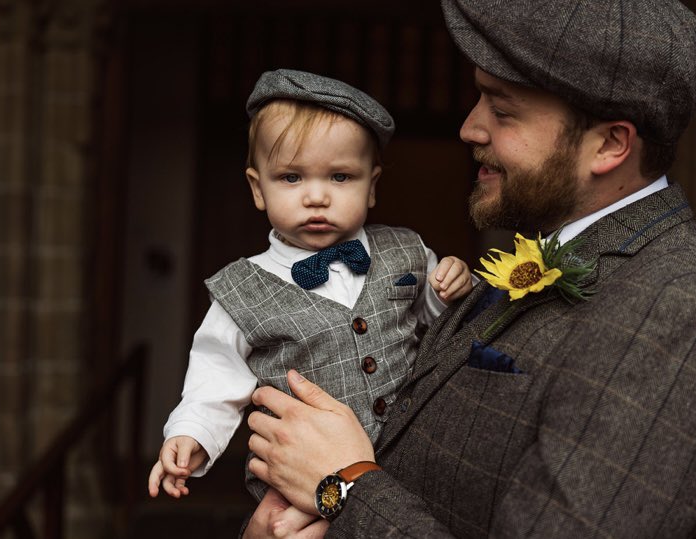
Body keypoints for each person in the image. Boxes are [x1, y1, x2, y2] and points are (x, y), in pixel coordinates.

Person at [243, 1, 696, 537]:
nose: (470, 128)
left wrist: (343, 485)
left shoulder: (682, 314)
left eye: (503, 109)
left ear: (610, 145)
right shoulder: (540, 257)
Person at [146, 69, 474, 501]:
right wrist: (191, 433)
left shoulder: (407, 250)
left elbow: (439, 327)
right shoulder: (243, 289)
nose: (316, 196)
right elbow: (215, 376)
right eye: (291, 177)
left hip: (409, 460)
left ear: (371, 186)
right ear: (258, 189)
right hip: (299, 479)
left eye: (340, 177)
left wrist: (447, 289)